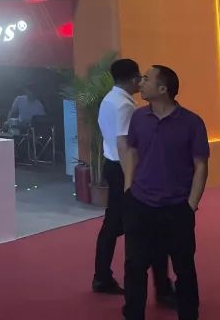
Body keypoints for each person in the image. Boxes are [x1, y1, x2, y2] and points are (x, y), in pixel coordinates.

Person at [123, 66, 209, 320]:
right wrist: (128, 188)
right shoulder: (138, 118)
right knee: (135, 266)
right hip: (140, 203)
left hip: (177, 208)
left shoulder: (192, 122)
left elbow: (201, 165)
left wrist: (191, 204)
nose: (140, 82)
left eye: (146, 79)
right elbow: (132, 152)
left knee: (184, 267)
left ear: (163, 89)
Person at [92, 59, 174, 300]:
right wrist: (132, 178)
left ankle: (102, 276)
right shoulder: (124, 106)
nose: (141, 82)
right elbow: (124, 143)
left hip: (113, 165)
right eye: (140, 77)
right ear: (132, 79)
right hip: (123, 170)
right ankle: (107, 278)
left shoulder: (110, 99)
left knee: (112, 225)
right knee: (133, 227)